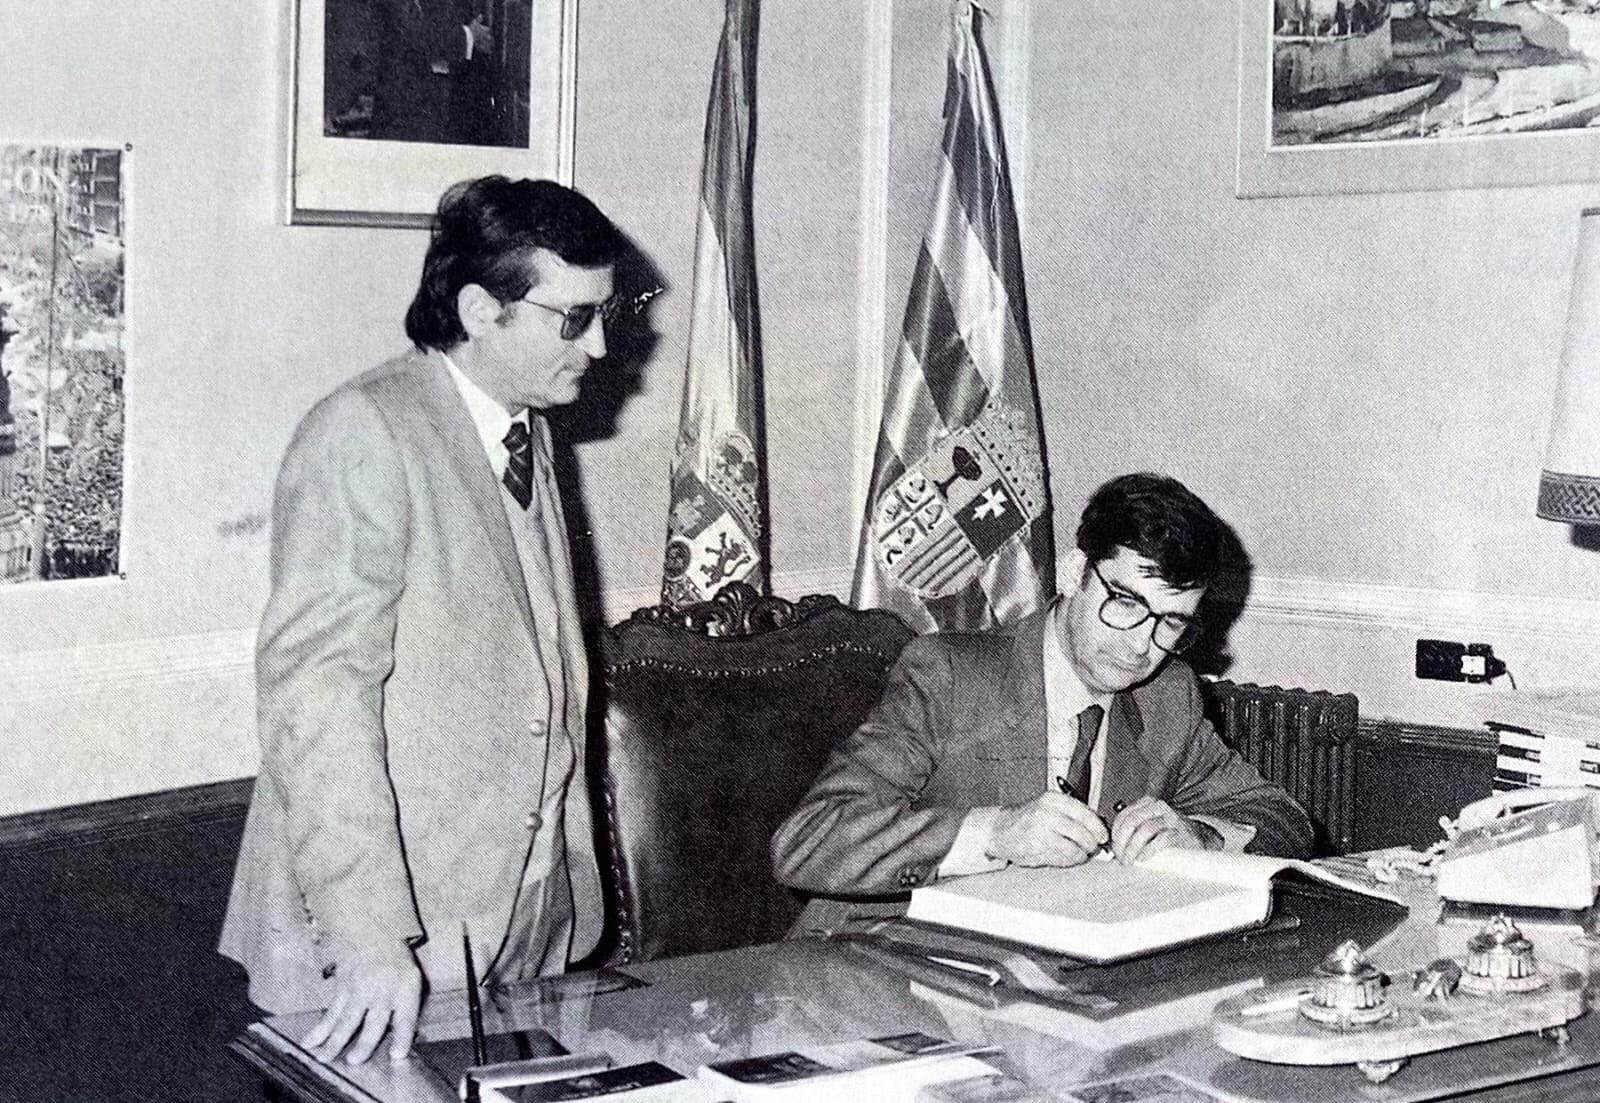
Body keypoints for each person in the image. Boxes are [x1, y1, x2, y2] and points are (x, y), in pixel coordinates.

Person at [220, 176, 626, 1065]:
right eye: (574, 317)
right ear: (483, 309)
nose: (599, 343)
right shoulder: (364, 431)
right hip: (389, 940)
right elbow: (317, 699)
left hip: (524, 918)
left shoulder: (527, 426)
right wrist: (369, 936)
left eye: (609, 311)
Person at [771, 473, 1313, 930]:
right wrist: (994, 833)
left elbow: (1283, 819)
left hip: (1048, 978)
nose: (1140, 644)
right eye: (1124, 602)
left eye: (1171, 622)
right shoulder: (951, 674)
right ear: (1076, 573)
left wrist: (1200, 834)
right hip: (884, 967)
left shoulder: (1168, 695)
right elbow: (810, 841)